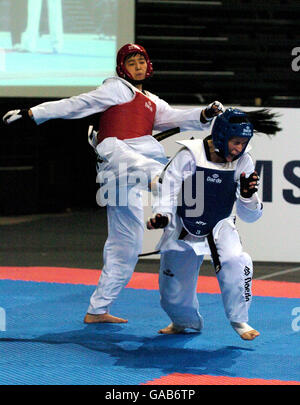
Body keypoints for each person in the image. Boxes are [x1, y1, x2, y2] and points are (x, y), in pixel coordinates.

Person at [3, 43, 224, 324]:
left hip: (121, 176)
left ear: (149, 65)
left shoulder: (153, 101)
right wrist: (33, 113)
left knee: (126, 245)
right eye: (131, 63)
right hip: (118, 154)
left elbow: (177, 117)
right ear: (122, 69)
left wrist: (205, 113)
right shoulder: (117, 89)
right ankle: (162, 184)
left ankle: (97, 310)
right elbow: (78, 104)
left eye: (141, 61)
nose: (138, 67)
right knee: (160, 173)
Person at [147, 107, 281, 340]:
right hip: (182, 226)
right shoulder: (189, 155)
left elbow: (251, 216)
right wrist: (163, 216)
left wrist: (249, 196)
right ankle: (182, 322)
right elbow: (166, 190)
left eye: (243, 143)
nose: (239, 148)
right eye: (235, 142)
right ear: (221, 136)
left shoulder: (243, 161)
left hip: (220, 225)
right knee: (172, 293)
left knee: (236, 260)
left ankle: (240, 320)